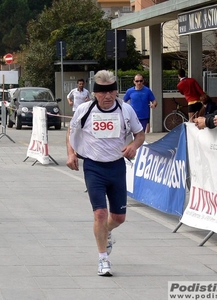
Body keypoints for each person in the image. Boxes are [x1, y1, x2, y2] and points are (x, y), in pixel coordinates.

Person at [66, 70, 145, 276]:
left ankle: (107, 231)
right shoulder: (85, 109)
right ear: (95, 93)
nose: (108, 96)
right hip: (94, 167)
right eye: (103, 92)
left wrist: (133, 146)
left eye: (112, 91)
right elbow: (71, 132)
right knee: (100, 213)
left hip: (117, 166)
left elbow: (140, 134)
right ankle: (103, 259)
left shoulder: (125, 110)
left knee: (118, 217)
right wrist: (71, 154)